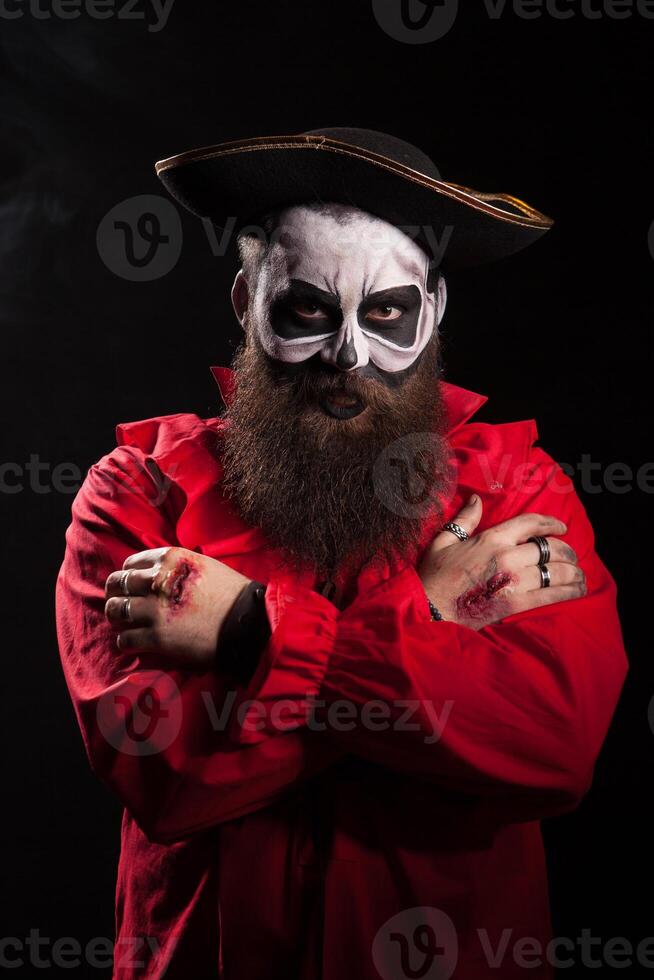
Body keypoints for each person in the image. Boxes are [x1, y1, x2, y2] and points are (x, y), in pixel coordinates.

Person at [55, 128, 628, 980]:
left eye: (386, 312)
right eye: (308, 312)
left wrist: (249, 629)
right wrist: (429, 613)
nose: (348, 354)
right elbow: (165, 776)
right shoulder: (138, 494)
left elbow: (551, 744)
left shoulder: (515, 489)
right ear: (248, 303)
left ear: (431, 314)